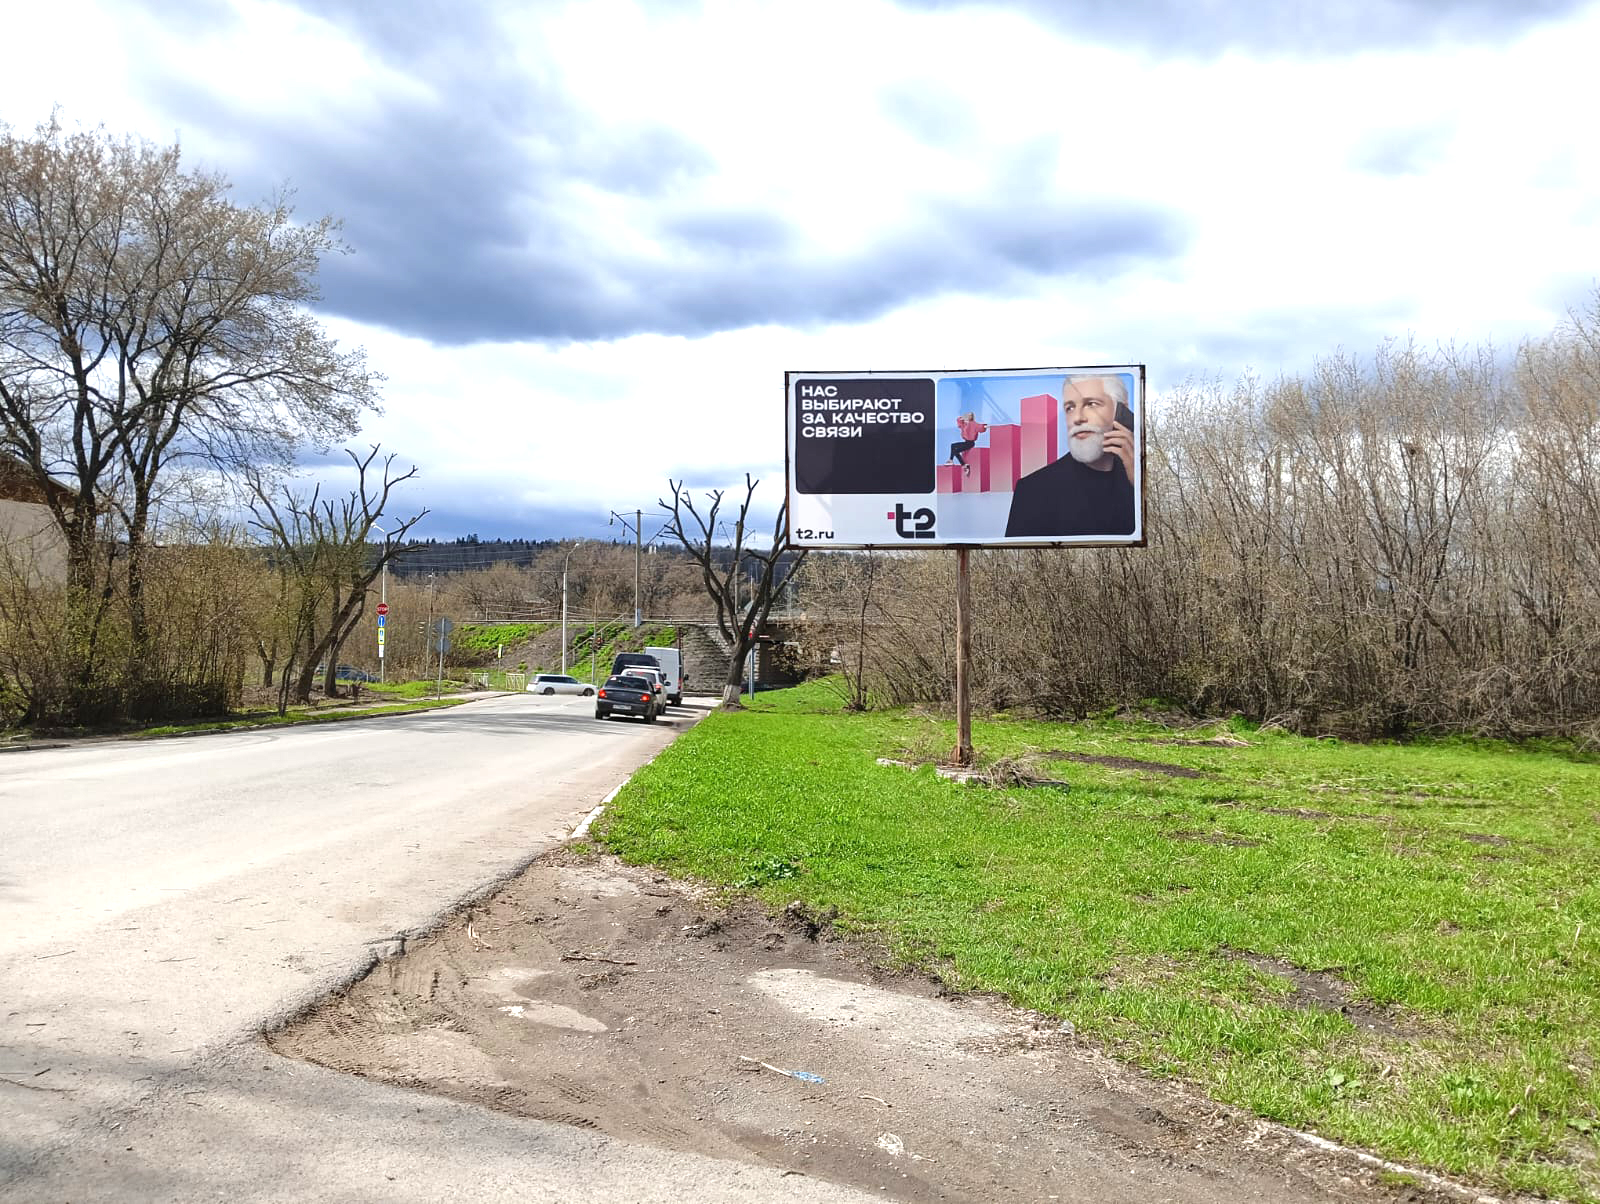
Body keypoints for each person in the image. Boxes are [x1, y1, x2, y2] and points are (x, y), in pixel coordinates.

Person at [1004, 375, 1136, 537]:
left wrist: (1137, 484)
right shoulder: (1032, 491)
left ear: (1121, 410)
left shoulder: (1137, 479)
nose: (1077, 418)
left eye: (1091, 404)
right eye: (1070, 408)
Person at [948, 412, 988, 477]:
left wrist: (985, 426)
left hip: (970, 443)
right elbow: (959, 421)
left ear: (971, 417)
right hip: (966, 442)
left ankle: (962, 464)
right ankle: (953, 461)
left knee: (955, 450)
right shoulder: (964, 423)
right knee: (953, 446)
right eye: (967, 415)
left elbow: (980, 427)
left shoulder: (973, 424)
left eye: (969, 415)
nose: (968, 416)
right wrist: (963, 418)